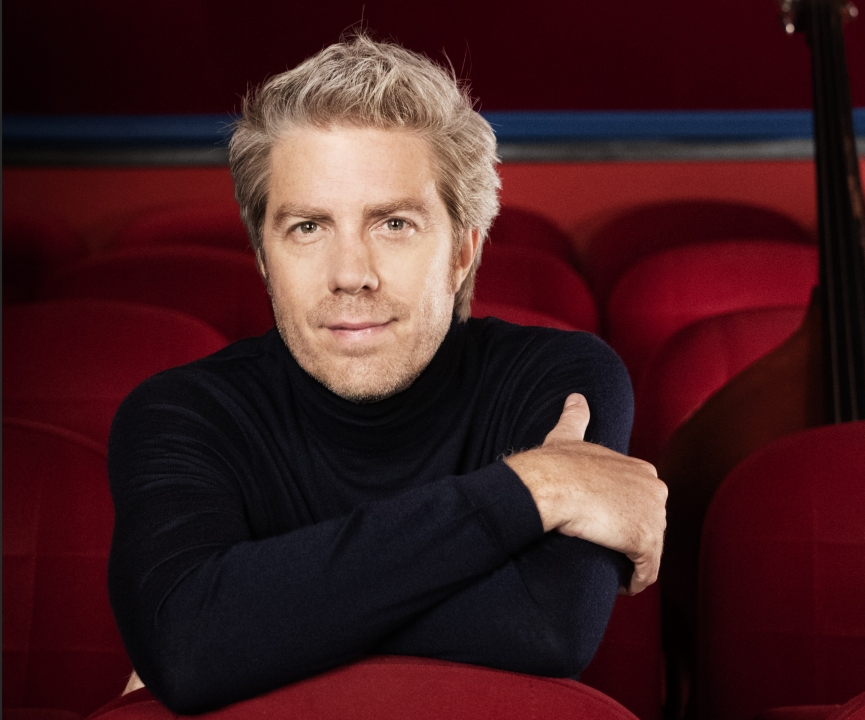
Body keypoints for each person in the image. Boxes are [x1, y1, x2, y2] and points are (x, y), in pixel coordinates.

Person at [107, 35, 666, 714]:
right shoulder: (180, 413)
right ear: (262, 256)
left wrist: (248, 627)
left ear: (462, 251)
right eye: (308, 227)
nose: (351, 274)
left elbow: (546, 627)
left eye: (394, 223)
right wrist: (533, 488)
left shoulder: (560, 379)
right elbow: (189, 645)